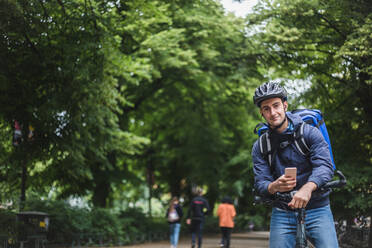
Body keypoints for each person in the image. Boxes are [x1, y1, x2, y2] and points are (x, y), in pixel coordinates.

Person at [251, 81, 338, 248]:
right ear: (262, 113)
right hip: (282, 211)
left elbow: (325, 166)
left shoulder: (309, 132)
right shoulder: (260, 146)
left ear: (285, 105)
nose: (273, 112)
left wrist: (308, 188)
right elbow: (261, 182)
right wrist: (273, 186)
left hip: (317, 208)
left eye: (276, 105)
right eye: (266, 109)